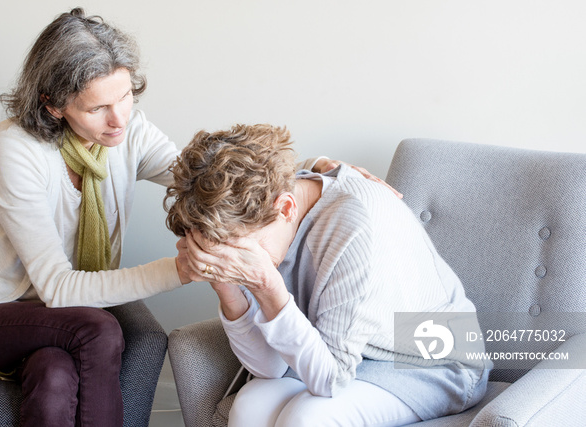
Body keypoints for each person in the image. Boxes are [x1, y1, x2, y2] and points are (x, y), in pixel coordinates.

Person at [0, 8, 383, 426]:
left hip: (56, 327)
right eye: (98, 107)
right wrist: (181, 270)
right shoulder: (14, 150)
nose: (119, 119)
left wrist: (313, 171)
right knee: (99, 331)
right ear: (54, 106)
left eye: (126, 97)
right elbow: (58, 290)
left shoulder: (127, 132)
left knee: (57, 376)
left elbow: (209, 180)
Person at [165, 124, 492, 427]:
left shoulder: (354, 226)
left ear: (286, 208)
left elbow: (331, 379)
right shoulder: (251, 217)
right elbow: (270, 369)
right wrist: (227, 288)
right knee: (249, 405)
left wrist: (266, 283)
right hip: (352, 352)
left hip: (432, 362)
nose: (233, 260)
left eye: (240, 250)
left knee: (307, 418)